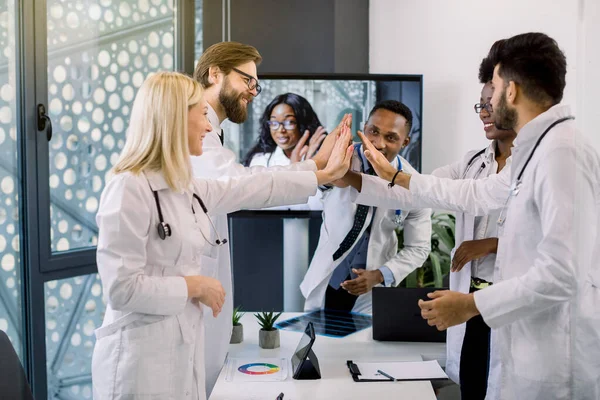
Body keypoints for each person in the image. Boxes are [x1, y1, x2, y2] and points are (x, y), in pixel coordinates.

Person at [346, 33, 600, 400]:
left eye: (493, 90)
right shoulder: (535, 150)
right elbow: (475, 193)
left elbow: (563, 274)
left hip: (554, 367)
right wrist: (394, 176)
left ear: (511, 91)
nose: (489, 102)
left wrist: (471, 304)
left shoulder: (562, 152)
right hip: (525, 351)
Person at [91, 71, 353, 400]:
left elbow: (253, 186)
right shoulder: (128, 187)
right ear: (172, 118)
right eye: (201, 114)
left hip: (183, 350)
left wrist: (318, 170)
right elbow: (121, 288)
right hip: (139, 363)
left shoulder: (185, 186)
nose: (207, 126)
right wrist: (194, 286)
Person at [190, 42, 352, 396]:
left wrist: (314, 167)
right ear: (215, 73)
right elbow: (239, 186)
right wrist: (317, 172)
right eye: (247, 79)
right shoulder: (192, 133)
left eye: (255, 83)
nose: (253, 90)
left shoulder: (211, 134)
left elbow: (239, 183)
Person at [431, 57, 516, 399]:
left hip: (508, 302)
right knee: (472, 386)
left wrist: (492, 244)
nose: (483, 112)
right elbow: (426, 185)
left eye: (490, 104)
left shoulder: (537, 164)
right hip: (471, 301)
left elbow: (550, 242)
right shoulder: (472, 161)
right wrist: (379, 169)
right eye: (480, 105)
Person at [301, 100, 431, 313]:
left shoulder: (414, 186)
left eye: (391, 137)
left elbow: (419, 247)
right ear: (363, 129)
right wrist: (330, 173)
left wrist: (380, 275)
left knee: (365, 344)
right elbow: (316, 185)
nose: (378, 144)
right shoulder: (340, 160)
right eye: (373, 132)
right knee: (318, 341)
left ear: (405, 142)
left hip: (371, 284)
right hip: (327, 276)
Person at [243, 92, 327, 210]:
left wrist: (306, 168)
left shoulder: (318, 159)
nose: (281, 130)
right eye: (274, 123)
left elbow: (319, 208)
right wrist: (296, 171)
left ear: (303, 124)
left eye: (289, 122)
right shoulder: (260, 161)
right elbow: (260, 210)